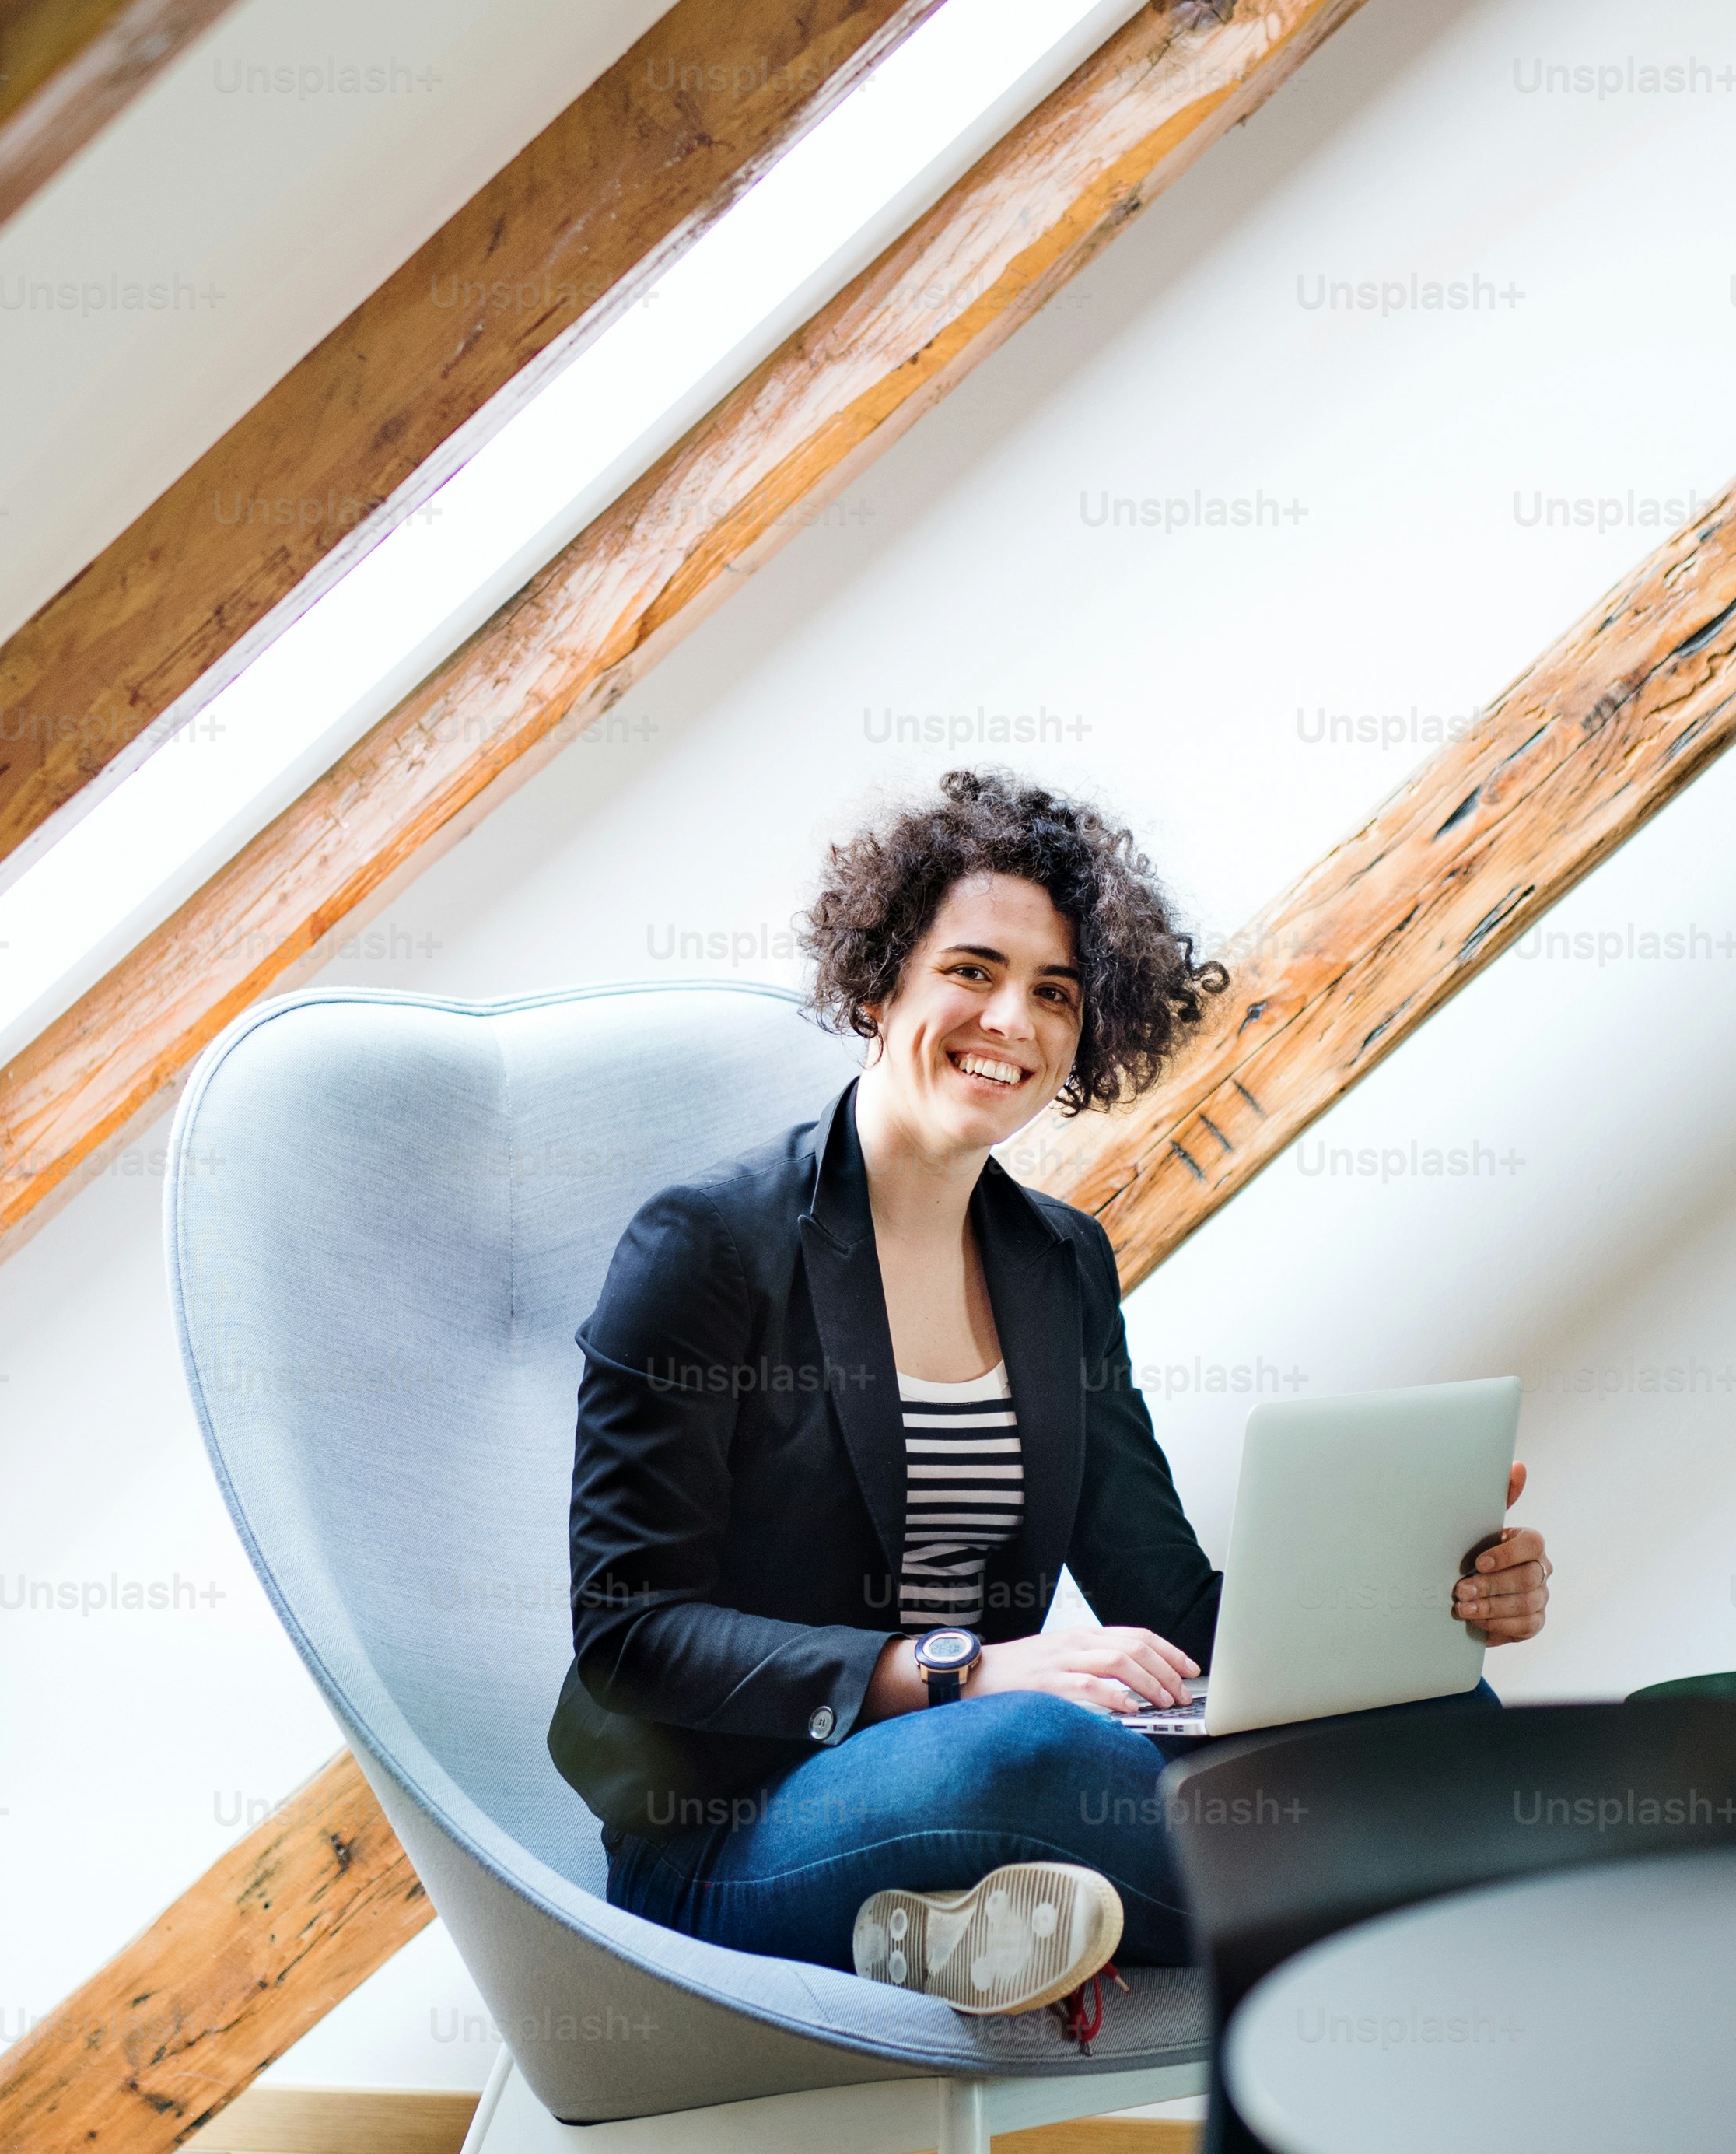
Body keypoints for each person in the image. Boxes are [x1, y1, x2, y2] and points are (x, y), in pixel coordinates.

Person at [549, 772, 1553, 2023]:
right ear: (881, 983)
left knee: (1444, 1715)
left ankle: (990, 1923)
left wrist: (1418, 1609)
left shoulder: (1060, 1266)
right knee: (1039, 1749)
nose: (1010, 1019)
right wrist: (967, 1671)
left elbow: (1171, 1606)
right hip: (733, 1834)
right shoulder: (706, 1244)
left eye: (1056, 993)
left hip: (985, 1783)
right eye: (972, 970)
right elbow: (633, 1635)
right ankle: (1426, 1912)